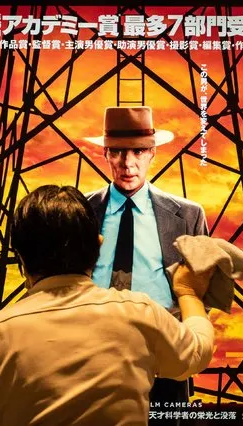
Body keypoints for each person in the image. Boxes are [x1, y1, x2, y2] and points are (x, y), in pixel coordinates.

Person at [0, 185, 214, 426]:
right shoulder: (139, 313)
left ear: (20, 254)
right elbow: (197, 352)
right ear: (98, 244)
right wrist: (188, 291)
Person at [84, 106, 208, 411]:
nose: (128, 163)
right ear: (105, 154)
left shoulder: (188, 216)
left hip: (163, 365)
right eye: (118, 152)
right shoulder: (81, 212)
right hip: (89, 361)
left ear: (152, 153)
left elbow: (203, 294)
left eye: (138, 152)